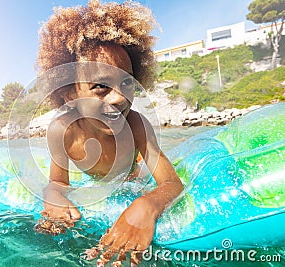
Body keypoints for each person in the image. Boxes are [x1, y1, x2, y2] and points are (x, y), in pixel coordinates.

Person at [35, 1, 184, 265]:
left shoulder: (137, 125)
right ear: (70, 93)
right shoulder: (62, 130)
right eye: (101, 86)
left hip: (132, 180)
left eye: (127, 81)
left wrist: (146, 204)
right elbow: (59, 182)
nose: (119, 98)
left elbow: (171, 183)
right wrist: (53, 196)